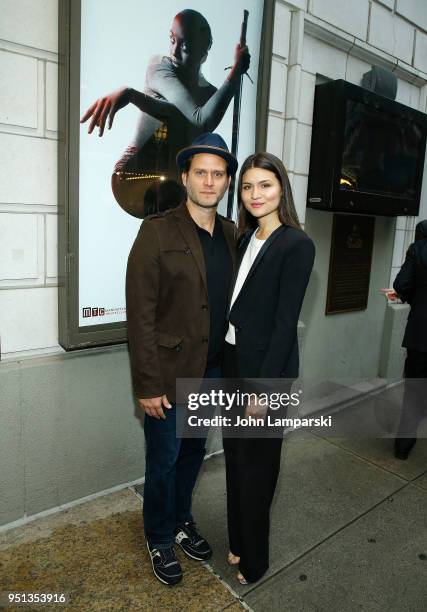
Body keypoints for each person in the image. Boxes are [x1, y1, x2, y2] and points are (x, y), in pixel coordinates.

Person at [126, 132, 237, 585]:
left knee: (194, 452)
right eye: (201, 173)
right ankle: (158, 537)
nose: (209, 182)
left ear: (226, 181)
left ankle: (180, 519)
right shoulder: (156, 231)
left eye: (218, 174)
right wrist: (148, 385)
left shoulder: (234, 235)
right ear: (186, 176)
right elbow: (141, 315)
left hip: (210, 374)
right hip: (169, 378)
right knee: (164, 460)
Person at [222, 152, 315, 584]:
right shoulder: (244, 238)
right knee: (236, 459)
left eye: (265, 185)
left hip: (265, 373)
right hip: (233, 362)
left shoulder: (296, 244)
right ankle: (239, 541)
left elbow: (284, 325)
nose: (255, 195)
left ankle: (255, 561)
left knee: (259, 468)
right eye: (247, 186)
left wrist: (263, 390)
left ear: (282, 189)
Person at [80, 9, 250, 217]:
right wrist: (234, 75)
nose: (175, 51)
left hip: (174, 188)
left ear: (204, 53)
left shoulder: (211, 95)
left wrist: (132, 96)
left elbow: (193, 122)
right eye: (172, 40)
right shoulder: (160, 67)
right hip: (134, 176)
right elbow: (197, 118)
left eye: (185, 46)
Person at [384, 220, 427, 459]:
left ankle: (403, 446)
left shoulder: (418, 249)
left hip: (421, 332)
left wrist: (413, 298)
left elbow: (402, 283)